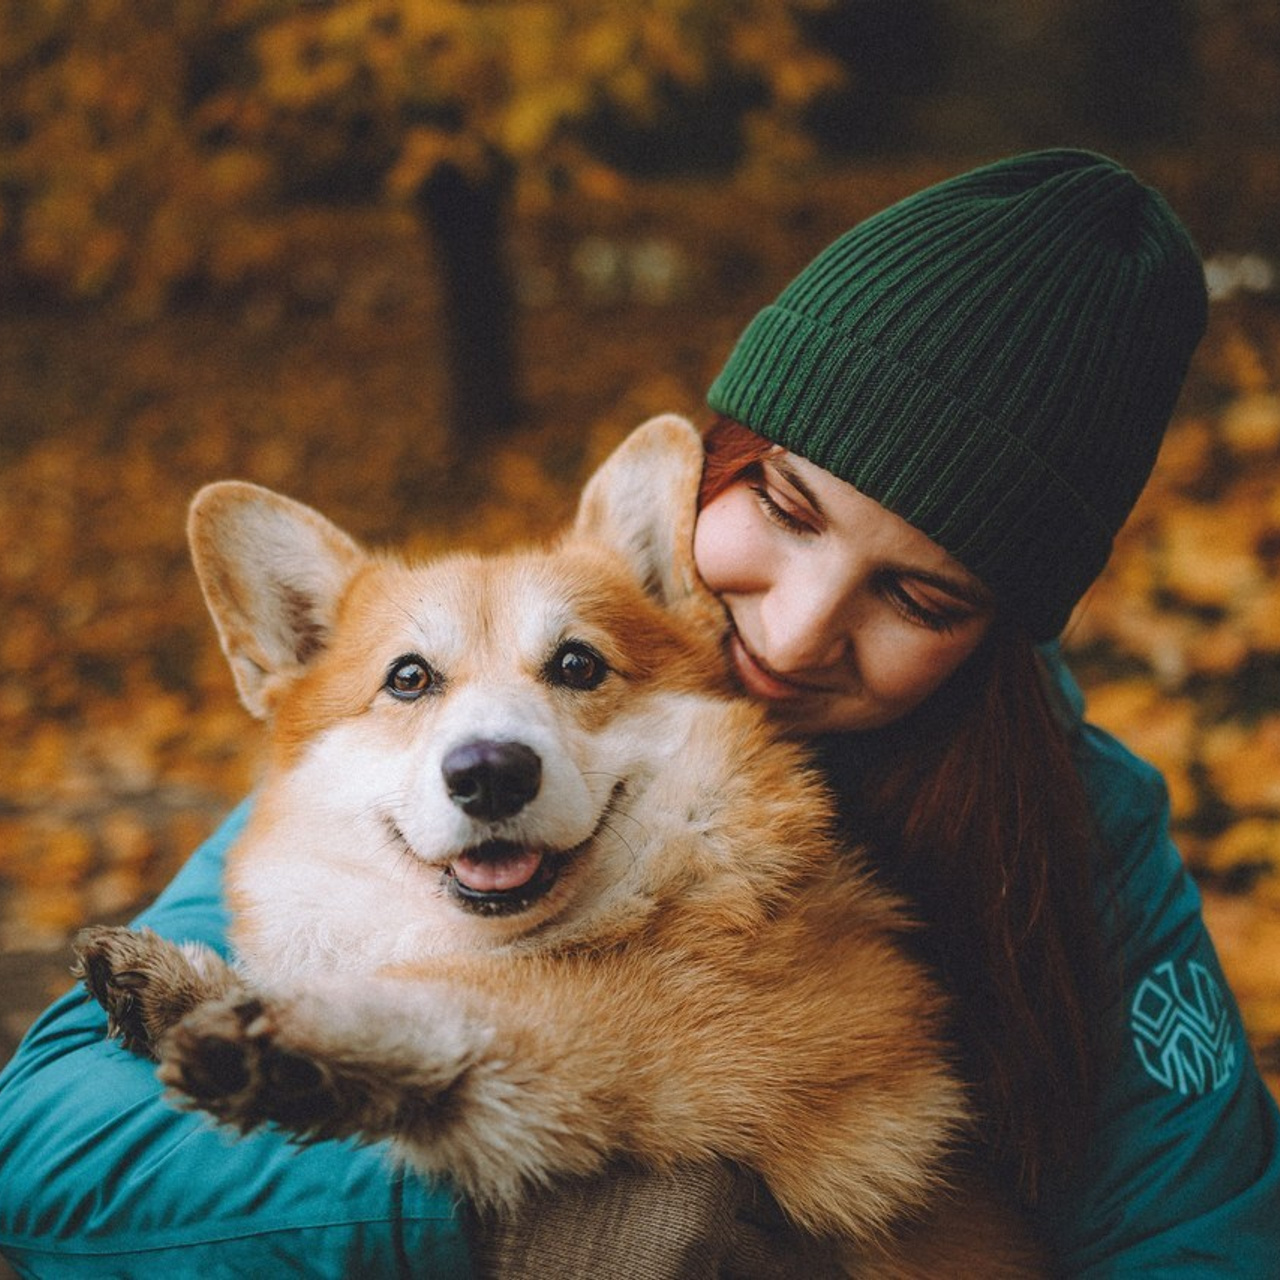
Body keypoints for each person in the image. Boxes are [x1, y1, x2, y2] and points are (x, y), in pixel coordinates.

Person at [2, 149, 1278, 1277]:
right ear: (715, 467)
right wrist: (539, 1223)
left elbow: (1197, 1233)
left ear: (998, 631)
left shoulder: (1078, 821)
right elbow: (48, 1149)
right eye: (784, 509)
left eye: (918, 595)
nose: (787, 630)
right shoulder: (399, 790)